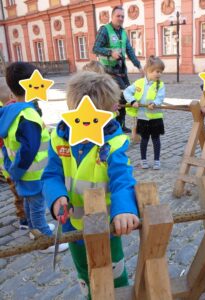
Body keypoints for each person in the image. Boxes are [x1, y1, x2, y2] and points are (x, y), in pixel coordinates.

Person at [42, 71, 139, 298]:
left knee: (114, 274)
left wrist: (124, 208)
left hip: (106, 227)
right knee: (84, 274)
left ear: (112, 112)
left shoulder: (113, 143)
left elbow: (122, 179)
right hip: (72, 226)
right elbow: (51, 175)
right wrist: (57, 197)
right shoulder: (59, 138)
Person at [0, 62, 68, 253]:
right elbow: (29, 149)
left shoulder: (12, 111)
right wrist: (17, 171)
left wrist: (12, 169)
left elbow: (10, 146)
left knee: (30, 204)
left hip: (22, 171)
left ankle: (34, 230)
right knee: (37, 206)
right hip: (33, 173)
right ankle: (44, 240)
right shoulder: (28, 116)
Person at [93, 5, 144, 133]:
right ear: (112, 17)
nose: (120, 18)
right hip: (108, 72)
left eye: (122, 16)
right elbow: (95, 48)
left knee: (125, 96)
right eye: (118, 16)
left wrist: (138, 65)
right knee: (118, 96)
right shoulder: (104, 30)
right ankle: (112, 125)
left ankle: (121, 124)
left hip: (121, 71)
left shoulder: (123, 32)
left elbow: (129, 50)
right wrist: (110, 52)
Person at [124, 56, 165, 170]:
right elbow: (127, 92)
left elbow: (160, 97)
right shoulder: (139, 83)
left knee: (156, 139)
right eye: (157, 71)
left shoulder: (160, 85)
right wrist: (132, 101)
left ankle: (157, 160)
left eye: (161, 72)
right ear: (148, 70)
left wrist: (155, 103)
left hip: (155, 117)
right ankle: (143, 160)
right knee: (144, 139)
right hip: (142, 117)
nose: (159, 74)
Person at [0, 78, 28, 229]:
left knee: (18, 193)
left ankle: (23, 219)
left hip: (8, 166)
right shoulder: (17, 114)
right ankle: (25, 220)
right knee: (22, 194)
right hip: (16, 165)